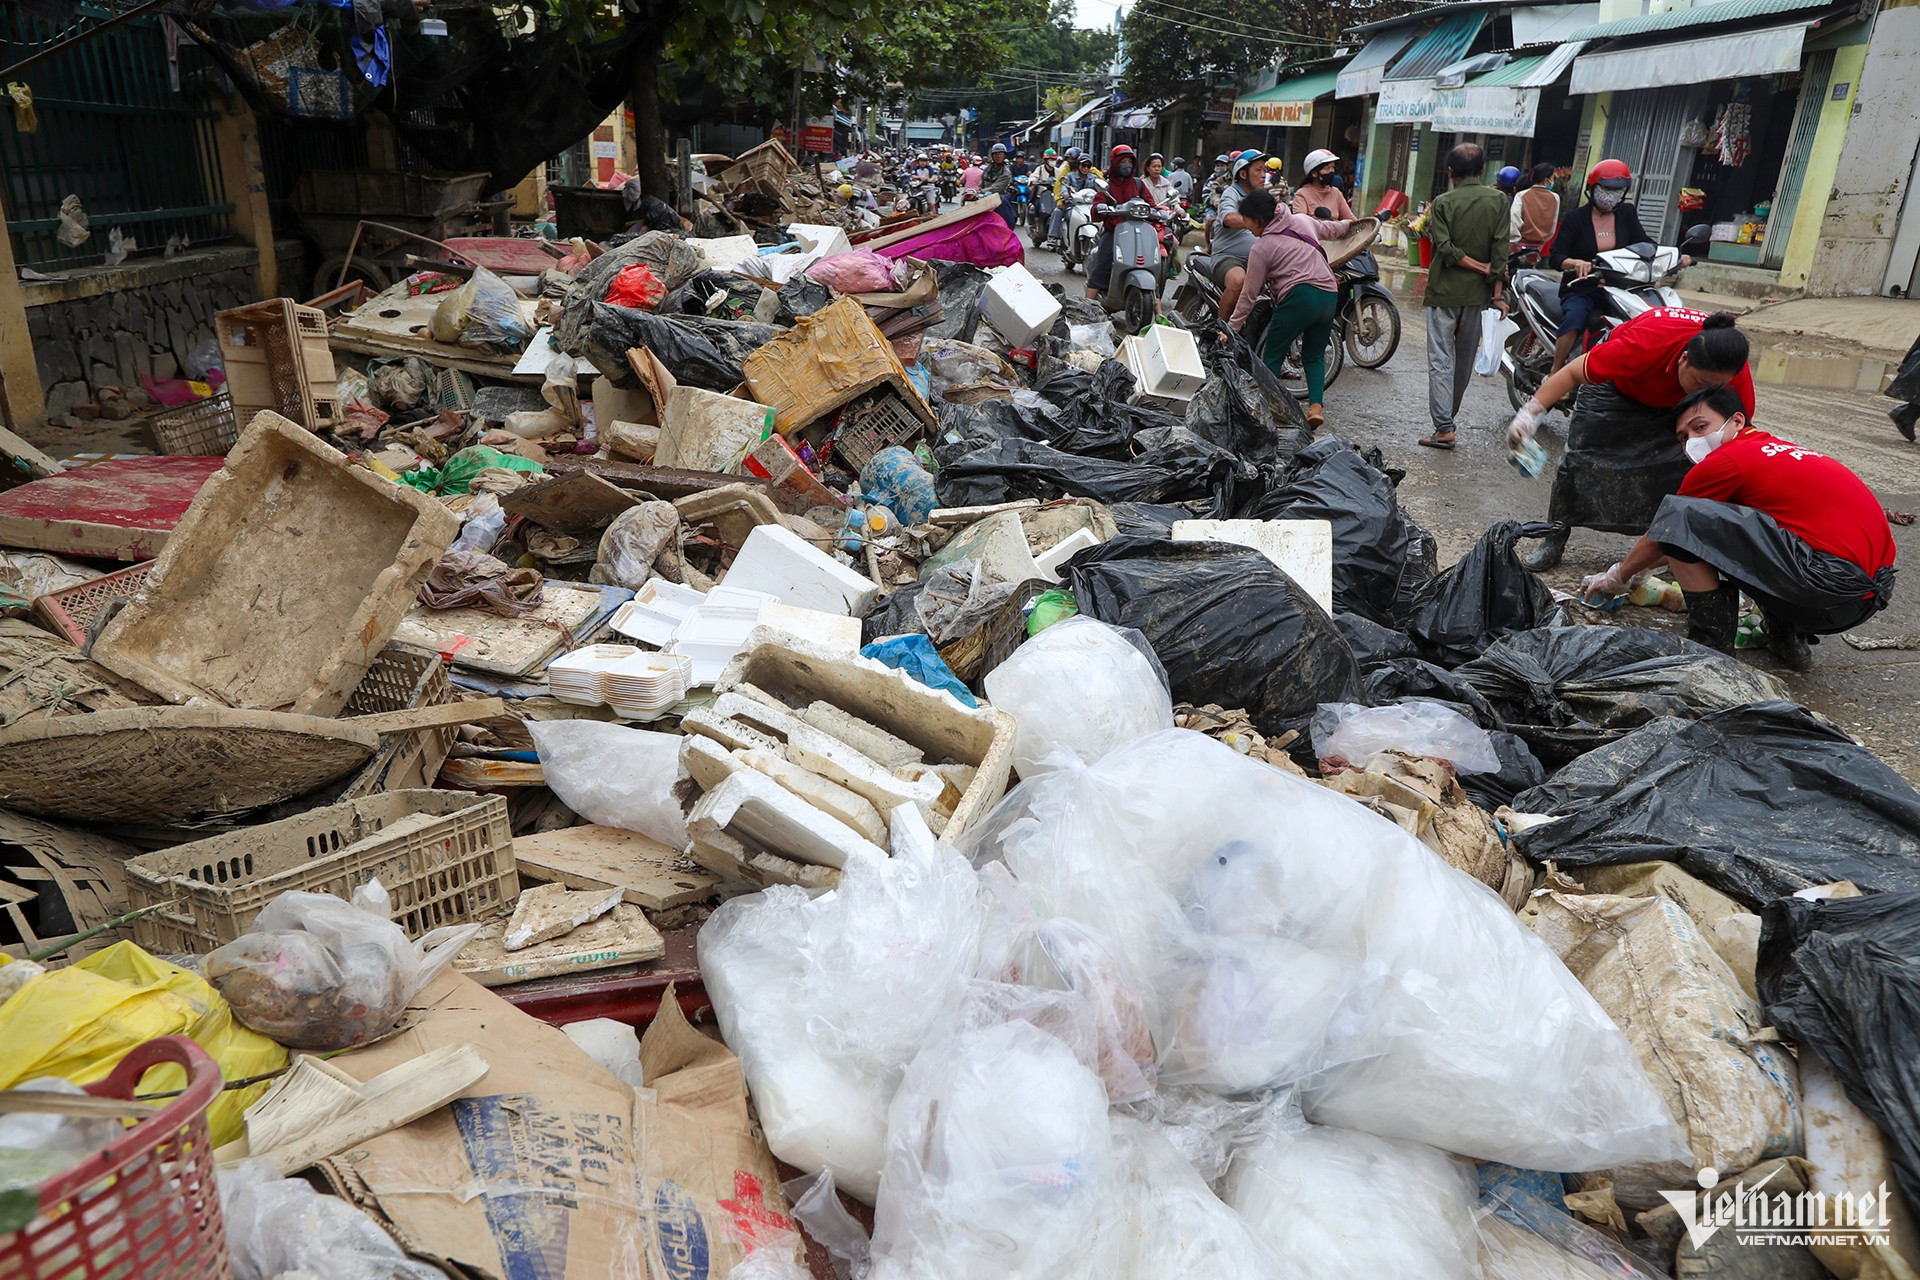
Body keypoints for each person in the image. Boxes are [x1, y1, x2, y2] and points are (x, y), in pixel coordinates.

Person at [1577, 385, 1896, 667]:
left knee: (1681, 512)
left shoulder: (1728, 458)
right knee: (1740, 533)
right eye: (1684, 437)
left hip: (1826, 586)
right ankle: (1786, 639)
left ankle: (1712, 650)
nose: (1693, 441)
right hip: (1861, 597)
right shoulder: (1778, 451)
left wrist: (1618, 576)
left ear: (1737, 421)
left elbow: (1671, 528)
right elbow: (1691, 542)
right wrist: (1640, 570)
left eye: (1700, 426)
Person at [1508, 307, 1756, 569]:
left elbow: (1741, 437)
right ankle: (1553, 535)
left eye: (1715, 388)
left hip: (1675, 404)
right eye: (1700, 382)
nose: (1706, 392)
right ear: (1683, 359)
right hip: (1618, 386)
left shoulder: (1731, 371)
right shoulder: (1645, 345)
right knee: (1581, 458)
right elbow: (1571, 373)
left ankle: (1680, 551)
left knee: (1692, 465)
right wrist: (1530, 414)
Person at [1227, 186, 1351, 428]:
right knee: (1314, 355)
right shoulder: (1303, 221)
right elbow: (1335, 229)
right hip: (1328, 294)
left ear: (1260, 220)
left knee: (1271, 355)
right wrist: (1355, 225)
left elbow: (1249, 295)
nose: (1246, 225)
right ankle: (1315, 408)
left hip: (1298, 297)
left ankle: (1266, 411)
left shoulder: (1262, 248)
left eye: (1247, 220)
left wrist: (1231, 327)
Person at [1418, 143, 1509, 450]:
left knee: (1441, 360)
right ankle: (1446, 423)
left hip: (1443, 292)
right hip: (1478, 297)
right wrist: (1497, 292)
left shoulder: (1442, 202)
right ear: (1483, 170)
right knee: (1463, 362)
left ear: (1450, 172)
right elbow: (1500, 252)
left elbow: (1444, 249)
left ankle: (1444, 427)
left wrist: (1477, 265)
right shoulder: (1498, 200)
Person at [1545, 158, 1649, 374]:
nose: (1611, 194)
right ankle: (1555, 372)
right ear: (1593, 188)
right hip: (1581, 287)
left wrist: (1675, 256)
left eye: (1617, 190)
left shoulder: (1627, 214)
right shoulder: (1576, 218)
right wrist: (1575, 262)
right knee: (1575, 317)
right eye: (1606, 189)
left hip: (1619, 288)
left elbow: (1645, 244)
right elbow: (1556, 256)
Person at [1085, 143, 1162, 298]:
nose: (1126, 165)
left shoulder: (1138, 184)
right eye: (1122, 162)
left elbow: (1151, 205)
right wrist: (1100, 207)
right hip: (1114, 231)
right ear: (1115, 163)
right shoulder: (1107, 185)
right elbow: (1096, 206)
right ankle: (1085, 307)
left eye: (1129, 162)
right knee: (1102, 266)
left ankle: (1160, 315)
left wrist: (1159, 212)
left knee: (1151, 265)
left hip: (1137, 231)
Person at [1209, 151, 1266, 324]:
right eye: (1259, 170)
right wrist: (1256, 222)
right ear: (1243, 174)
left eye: (1265, 170)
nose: (1264, 175)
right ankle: (1222, 330)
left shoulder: (1261, 197)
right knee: (1238, 280)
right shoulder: (1231, 193)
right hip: (1228, 258)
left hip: (1258, 259)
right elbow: (1228, 217)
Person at [1055, 149, 1101, 248]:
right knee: (1067, 216)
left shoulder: (1093, 177)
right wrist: (1065, 194)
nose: (1085, 168)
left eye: (1088, 166)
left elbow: (1100, 186)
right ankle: (1069, 243)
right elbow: (1062, 185)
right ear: (1078, 165)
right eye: (1083, 165)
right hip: (1073, 205)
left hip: (1089, 205)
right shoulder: (1069, 175)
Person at [1511, 160, 1559, 252]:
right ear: (1546, 180)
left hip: (1519, 245)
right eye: (1553, 178)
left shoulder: (1522, 195)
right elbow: (1553, 225)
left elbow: (1514, 220)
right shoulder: (1555, 198)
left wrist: (1514, 241)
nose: (1554, 181)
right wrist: (1543, 240)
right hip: (1539, 246)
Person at [1293, 148, 1355, 220]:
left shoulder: (1336, 193)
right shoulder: (1302, 194)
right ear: (1314, 173)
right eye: (1327, 168)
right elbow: (1300, 223)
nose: (1332, 171)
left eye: (1333, 167)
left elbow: (1351, 220)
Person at [1031, 149, 1060, 247]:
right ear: (1046, 160)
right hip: (1041, 195)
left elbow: (1063, 179)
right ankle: (1037, 224)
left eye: (1054, 159)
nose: (1053, 161)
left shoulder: (1058, 171)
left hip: (1055, 196)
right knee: (1037, 205)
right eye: (1051, 159)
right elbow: (1033, 177)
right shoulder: (1039, 169)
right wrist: (1033, 180)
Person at [981, 143, 1015, 227]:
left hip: (999, 198)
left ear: (1004, 156)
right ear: (992, 156)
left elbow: (996, 187)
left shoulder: (1006, 173)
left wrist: (982, 191)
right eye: (996, 154)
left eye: (1001, 154)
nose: (998, 156)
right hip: (985, 198)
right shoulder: (987, 170)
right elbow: (981, 184)